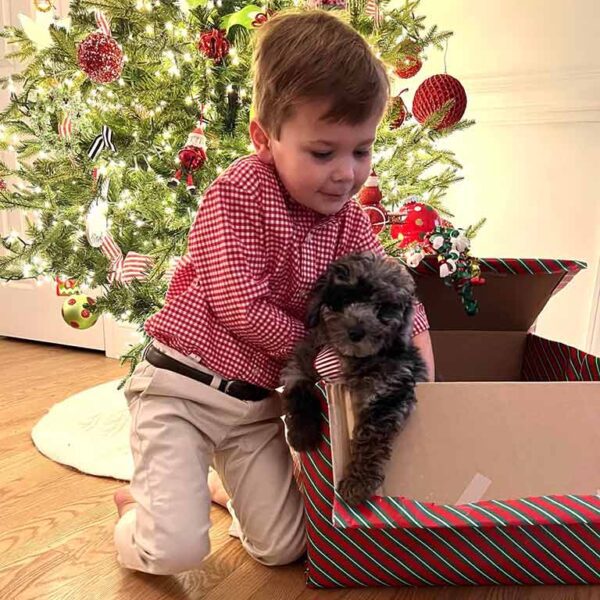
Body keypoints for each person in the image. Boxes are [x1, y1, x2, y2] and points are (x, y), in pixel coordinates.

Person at [113, 9, 435, 576]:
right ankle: (139, 517)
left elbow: (392, 288)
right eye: (322, 152)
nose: (345, 173)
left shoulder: (351, 223)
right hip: (181, 389)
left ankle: (199, 491)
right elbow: (240, 305)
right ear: (266, 139)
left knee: (285, 547)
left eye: (361, 150)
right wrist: (328, 357)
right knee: (176, 552)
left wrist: (419, 345)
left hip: (256, 407)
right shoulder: (238, 193)